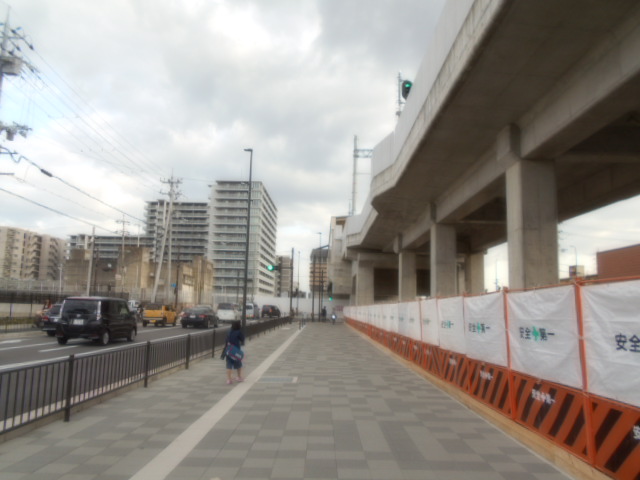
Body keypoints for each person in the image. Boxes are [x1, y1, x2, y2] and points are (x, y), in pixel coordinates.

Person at [224, 320, 245, 385]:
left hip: (229, 350)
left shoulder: (229, 331)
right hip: (236, 351)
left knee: (229, 365)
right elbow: (242, 339)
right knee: (238, 364)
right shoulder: (238, 332)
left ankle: (229, 380)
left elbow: (226, 340)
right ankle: (239, 377)